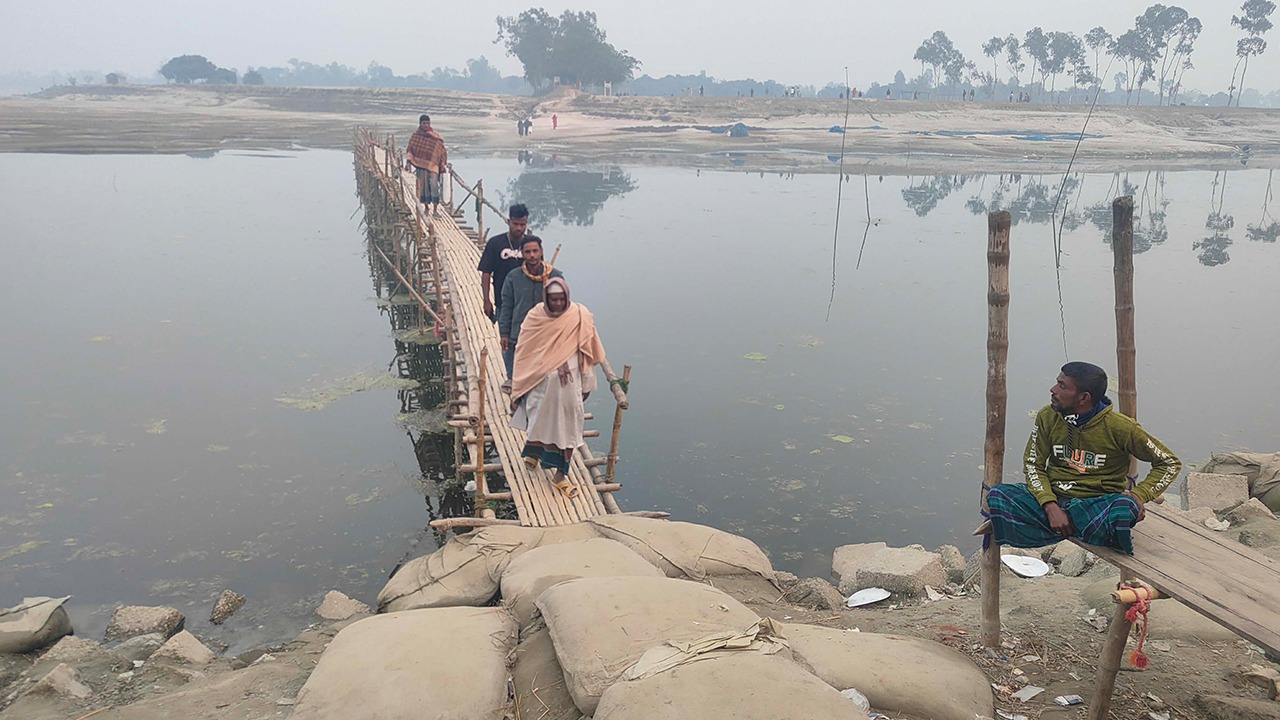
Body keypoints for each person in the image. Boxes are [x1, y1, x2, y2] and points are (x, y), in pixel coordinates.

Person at [985, 362, 1181, 554]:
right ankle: (1078, 528)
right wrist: (1050, 506)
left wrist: (1140, 495)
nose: (1053, 390)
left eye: (1062, 386)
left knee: (1123, 510)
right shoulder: (1047, 416)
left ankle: (1055, 527)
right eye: (1057, 383)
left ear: (1083, 398)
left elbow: (1169, 463)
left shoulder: (1122, 428)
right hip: (1055, 497)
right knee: (998, 495)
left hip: (1096, 504)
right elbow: (1033, 464)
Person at [509, 277, 605, 499]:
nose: (559, 304)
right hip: (541, 383)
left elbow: (588, 349)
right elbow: (525, 350)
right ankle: (534, 453)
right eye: (554, 300)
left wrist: (587, 380)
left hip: (570, 387)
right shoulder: (535, 317)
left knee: (569, 429)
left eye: (562, 299)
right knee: (539, 419)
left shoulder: (579, 315)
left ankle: (561, 474)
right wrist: (523, 382)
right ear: (546, 299)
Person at [499, 236, 562, 390]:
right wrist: (504, 333)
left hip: (546, 330)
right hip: (519, 329)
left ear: (541, 252)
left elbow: (563, 306)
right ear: (522, 254)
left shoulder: (554, 276)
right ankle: (512, 379)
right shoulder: (513, 277)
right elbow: (507, 306)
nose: (532, 255)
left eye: (535, 251)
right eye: (528, 252)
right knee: (513, 355)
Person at [479, 203, 532, 325]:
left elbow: (541, 273)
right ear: (509, 222)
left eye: (522, 224)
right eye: (515, 224)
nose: (519, 228)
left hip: (526, 303)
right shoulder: (495, 243)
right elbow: (486, 273)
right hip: (503, 302)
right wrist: (486, 300)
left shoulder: (531, 246)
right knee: (505, 338)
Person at [405, 114, 447, 214]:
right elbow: (410, 149)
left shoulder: (436, 137)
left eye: (428, 123)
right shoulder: (416, 136)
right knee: (423, 187)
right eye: (424, 123)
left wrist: (443, 163)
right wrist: (408, 162)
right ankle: (426, 207)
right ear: (420, 124)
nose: (426, 125)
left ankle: (435, 210)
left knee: (434, 185)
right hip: (420, 165)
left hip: (433, 166)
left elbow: (441, 151)